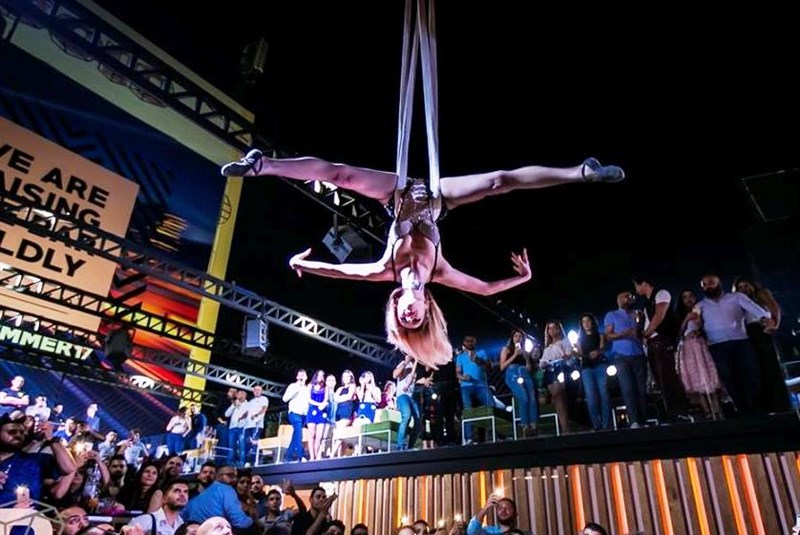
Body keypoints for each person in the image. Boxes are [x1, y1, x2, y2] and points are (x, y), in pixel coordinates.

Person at [222, 150, 625, 368]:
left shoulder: (384, 271)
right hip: (436, 200)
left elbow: (338, 270)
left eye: (405, 320)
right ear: (426, 310)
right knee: (499, 181)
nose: (410, 316)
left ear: (398, 309)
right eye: (416, 321)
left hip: (395, 196)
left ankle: (262, 164)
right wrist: (524, 278)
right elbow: (486, 289)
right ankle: (581, 172)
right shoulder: (440, 272)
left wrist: (301, 263)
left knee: (339, 176)